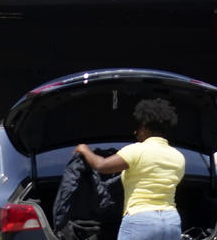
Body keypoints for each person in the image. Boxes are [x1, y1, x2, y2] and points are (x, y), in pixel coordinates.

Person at [75, 98, 184, 240]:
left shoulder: (136, 151)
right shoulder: (178, 156)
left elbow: (101, 165)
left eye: (137, 129)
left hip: (140, 219)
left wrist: (84, 150)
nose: (136, 133)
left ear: (144, 127)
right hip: (171, 221)